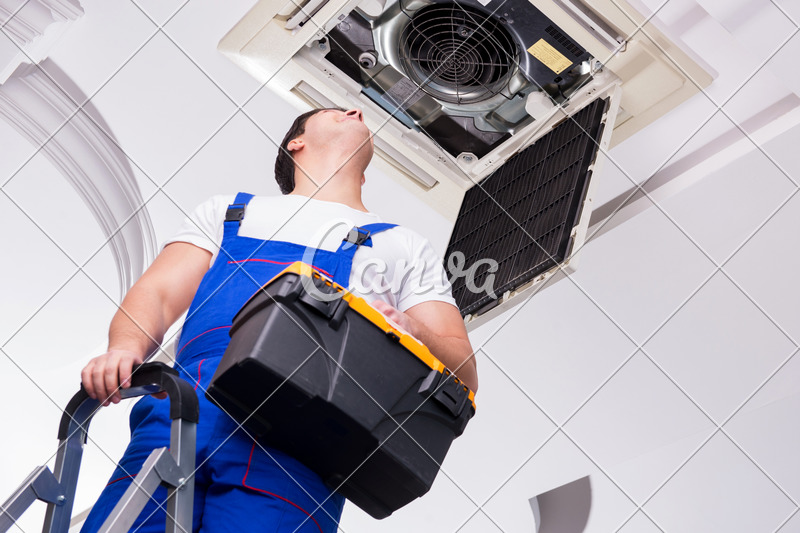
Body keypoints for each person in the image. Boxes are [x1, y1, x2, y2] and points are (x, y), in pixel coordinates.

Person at [79, 107, 478, 532]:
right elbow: (157, 294)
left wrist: (411, 329)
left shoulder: (403, 244)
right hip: (185, 411)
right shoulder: (230, 212)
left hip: (303, 443)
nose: (356, 109)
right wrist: (124, 348)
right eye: (334, 110)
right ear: (295, 143)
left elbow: (464, 371)